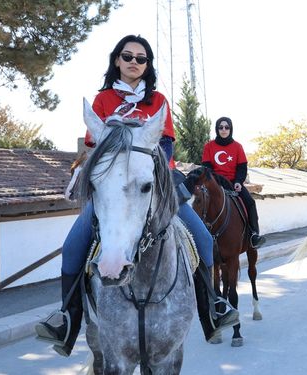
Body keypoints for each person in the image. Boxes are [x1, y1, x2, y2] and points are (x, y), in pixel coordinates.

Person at [35, 35, 237, 356]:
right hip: (113, 185)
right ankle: (67, 319)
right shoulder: (102, 101)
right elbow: (95, 146)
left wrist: (150, 165)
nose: (133, 62)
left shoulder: (158, 102)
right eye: (127, 56)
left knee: (202, 237)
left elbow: (167, 143)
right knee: (74, 244)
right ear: (117, 60)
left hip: (153, 180)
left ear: (147, 65)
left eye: (141, 58)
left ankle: (211, 308)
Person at [201, 117, 266, 248]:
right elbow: (207, 167)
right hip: (215, 183)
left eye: (227, 127)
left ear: (231, 129)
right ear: (217, 129)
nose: (224, 130)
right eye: (221, 127)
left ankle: (254, 235)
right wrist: (215, 182)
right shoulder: (209, 146)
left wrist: (238, 182)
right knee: (199, 202)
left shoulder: (237, 146)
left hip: (233, 183)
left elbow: (242, 167)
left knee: (250, 202)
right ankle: (199, 235)